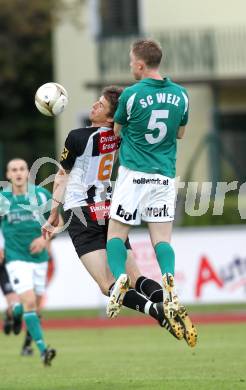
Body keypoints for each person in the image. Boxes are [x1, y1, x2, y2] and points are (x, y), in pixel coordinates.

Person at [42, 86, 184, 341]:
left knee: (107, 284)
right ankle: (169, 302)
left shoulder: (77, 136)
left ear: (110, 117)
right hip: (109, 210)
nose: (93, 106)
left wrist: (54, 211)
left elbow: (62, 176)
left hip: (81, 213)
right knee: (136, 276)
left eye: (100, 105)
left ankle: (157, 312)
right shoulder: (123, 136)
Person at [105, 39, 198, 347]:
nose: (131, 66)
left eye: (132, 62)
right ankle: (169, 279)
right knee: (161, 239)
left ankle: (120, 277)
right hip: (164, 177)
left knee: (116, 235)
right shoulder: (181, 95)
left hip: (133, 175)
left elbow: (117, 131)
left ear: (141, 64)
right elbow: (180, 133)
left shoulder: (131, 95)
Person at [0, 158, 56, 365]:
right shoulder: (3, 198)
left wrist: (44, 239)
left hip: (39, 259)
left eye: (22, 169)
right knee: (30, 301)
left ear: (27, 173)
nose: (18, 173)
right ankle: (43, 349)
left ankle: (15, 312)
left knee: (35, 307)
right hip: (16, 258)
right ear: (8, 175)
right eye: (13, 169)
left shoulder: (41, 195)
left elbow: (55, 222)